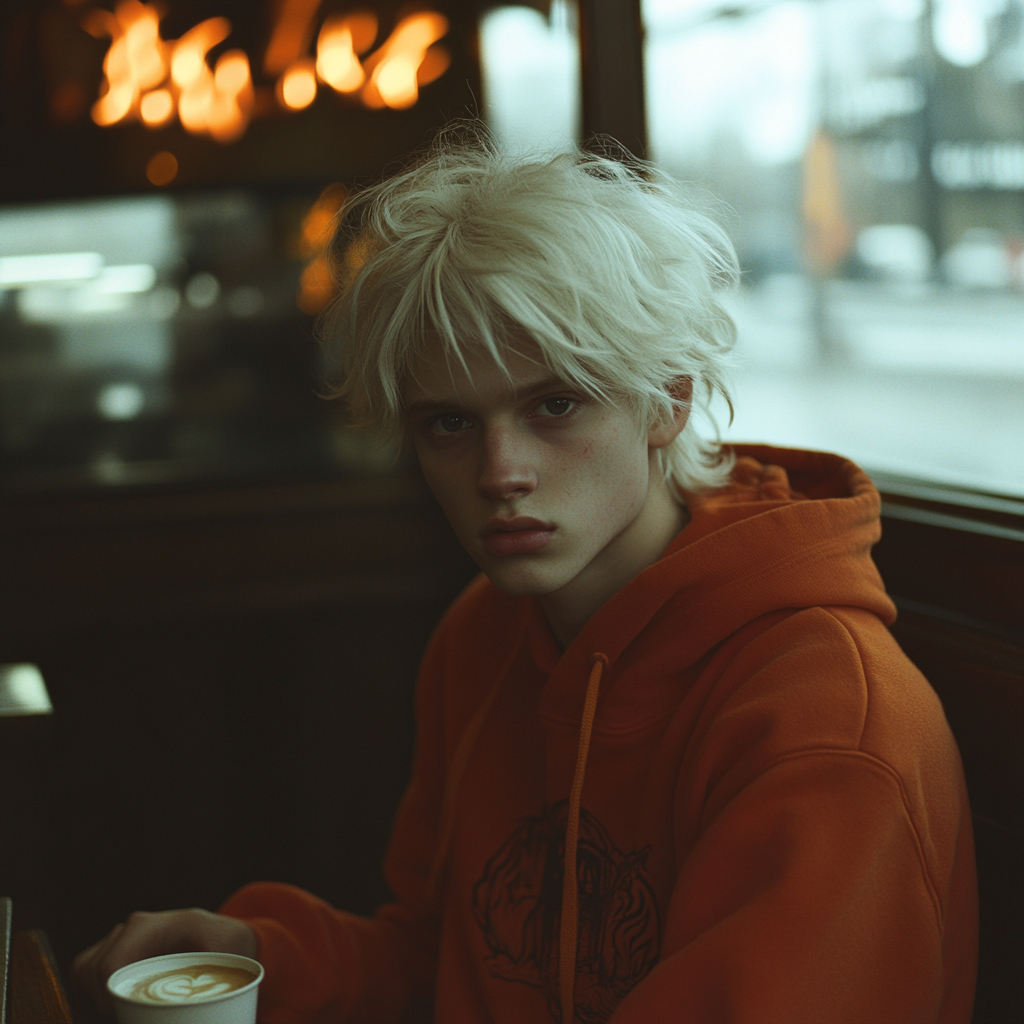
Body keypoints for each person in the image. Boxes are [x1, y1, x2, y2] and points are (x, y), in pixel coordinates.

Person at [74, 126, 978, 1023]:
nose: (500, 472)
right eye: (450, 425)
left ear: (667, 401)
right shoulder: (485, 632)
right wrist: (270, 958)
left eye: (555, 404)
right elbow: (457, 962)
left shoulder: (827, 721)